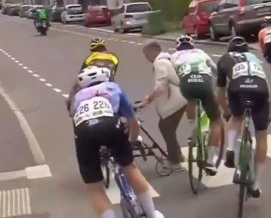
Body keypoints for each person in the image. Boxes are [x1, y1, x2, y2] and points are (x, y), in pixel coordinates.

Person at [71, 67, 164, 218]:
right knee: (130, 168)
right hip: (111, 125)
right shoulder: (114, 88)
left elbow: (76, 122)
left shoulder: (77, 98)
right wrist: (133, 140)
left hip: (84, 132)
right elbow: (132, 121)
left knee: (94, 187)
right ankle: (152, 214)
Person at [217, 36, 271, 198]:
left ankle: (230, 150)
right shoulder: (255, 58)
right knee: (261, 136)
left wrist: (226, 111)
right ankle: (256, 183)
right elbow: (266, 87)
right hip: (260, 90)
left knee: (236, 117)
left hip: (237, 89)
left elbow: (219, 93)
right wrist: (270, 110)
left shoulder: (224, 59)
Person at [170, 35, 223, 174]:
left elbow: (171, 76)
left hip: (187, 83)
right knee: (216, 120)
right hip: (204, 82)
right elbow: (215, 69)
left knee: (190, 99)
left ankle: (192, 129)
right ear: (192, 45)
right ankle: (210, 160)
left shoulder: (174, 56)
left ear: (177, 46)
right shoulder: (200, 53)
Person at [141, 41, 188, 171]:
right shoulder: (166, 60)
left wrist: (148, 99)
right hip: (179, 100)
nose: (146, 58)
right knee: (167, 128)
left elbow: (160, 86)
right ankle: (177, 156)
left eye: (146, 54)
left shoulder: (160, 63)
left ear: (152, 52)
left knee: (166, 128)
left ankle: (174, 161)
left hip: (175, 102)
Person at [66, 37, 119, 111]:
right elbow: (113, 72)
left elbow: (81, 73)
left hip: (91, 80)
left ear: (92, 50)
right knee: (117, 93)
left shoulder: (90, 57)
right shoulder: (114, 56)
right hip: (107, 79)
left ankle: (70, 107)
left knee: (75, 87)